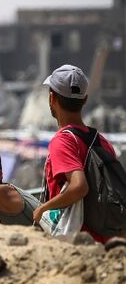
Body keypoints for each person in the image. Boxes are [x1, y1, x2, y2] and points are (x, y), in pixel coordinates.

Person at [32, 64, 118, 242]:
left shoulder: (62, 141)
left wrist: (43, 209)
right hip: (105, 237)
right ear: (85, 99)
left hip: (75, 239)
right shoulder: (102, 141)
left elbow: (79, 186)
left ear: (51, 98)